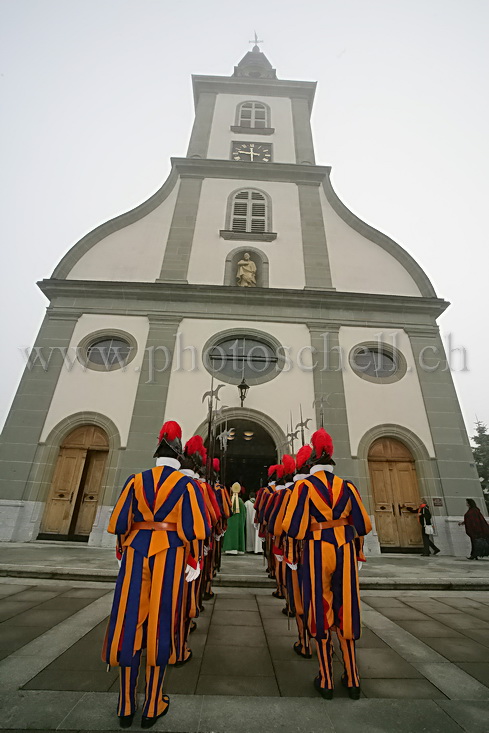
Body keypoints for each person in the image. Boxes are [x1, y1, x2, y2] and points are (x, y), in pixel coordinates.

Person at [102, 421, 210, 728]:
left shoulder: (136, 480)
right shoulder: (187, 485)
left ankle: (125, 702)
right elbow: (194, 528)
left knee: (128, 620)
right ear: (178, 456)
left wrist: (122, 552)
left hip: (136, 551)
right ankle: (152, 703)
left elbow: (120, 522)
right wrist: (195, 560)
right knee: (162, 621)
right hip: (170, 552)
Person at [283, 428, 372, 700]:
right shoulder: (347, 487)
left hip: (316, 550)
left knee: (319, 608)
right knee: (346, 607)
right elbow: (363, 524)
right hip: (344, 548)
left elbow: (293, 527)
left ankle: (326, 677)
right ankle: (353, 676)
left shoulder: (303, 487)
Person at [222, 482, 246, 553]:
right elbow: (244, 513)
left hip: (229, 522)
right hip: (239, 523)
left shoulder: (229, 500)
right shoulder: (241, 501)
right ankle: (237, 548)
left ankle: (229, 548)